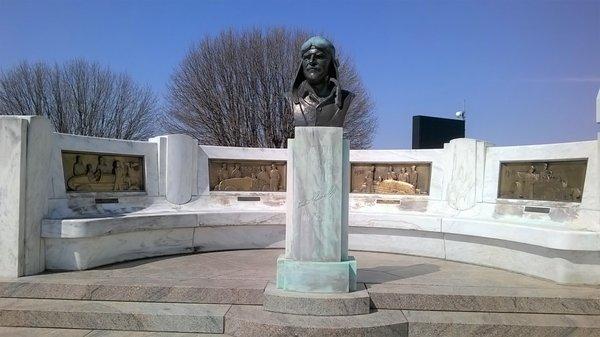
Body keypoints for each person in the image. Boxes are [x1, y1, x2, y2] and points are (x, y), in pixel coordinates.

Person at [290, 36, 354, 127]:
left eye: (319, 56)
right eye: (307, 58)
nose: (311, 61)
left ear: (332, 64)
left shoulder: (346, 99)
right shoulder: (290, 99)